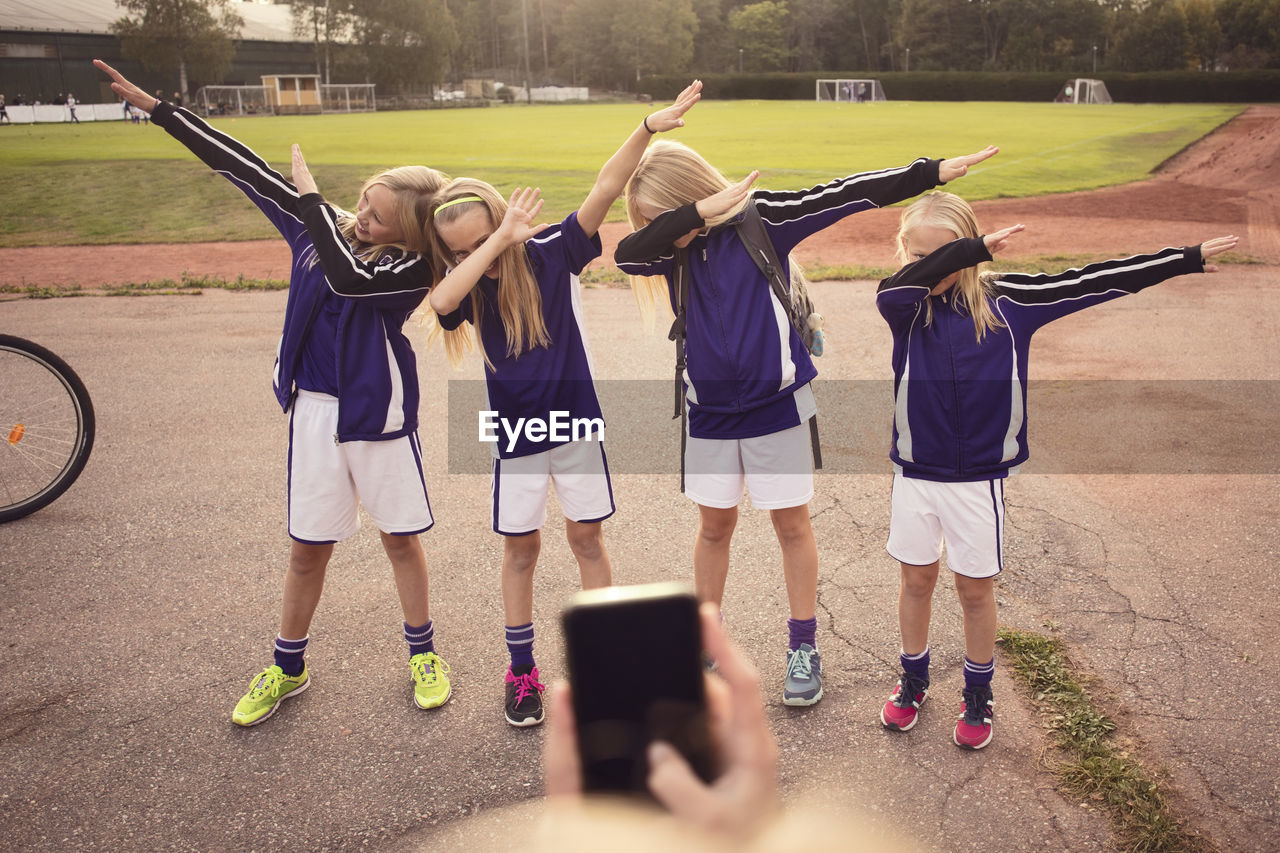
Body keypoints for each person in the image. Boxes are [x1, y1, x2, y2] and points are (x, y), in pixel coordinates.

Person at [94, 59, 454, 726]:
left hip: (379, 419)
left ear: (404, 233)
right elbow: (244, 167)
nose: (360, 222)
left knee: (400, 540)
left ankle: (423, 653)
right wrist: (161, 110)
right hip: (315, 414)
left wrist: (315, 202)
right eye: (363, 205)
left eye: (376, 220)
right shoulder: (323, 226)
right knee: (306, 549)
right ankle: (288, 666)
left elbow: (350, 280)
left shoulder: (411, 267)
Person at [614, 141, 998, 705]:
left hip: (777, 408)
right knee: (714, 527)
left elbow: (850, 194)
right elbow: (625, 253)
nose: (657, 228)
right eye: (655, 220)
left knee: (792, 527)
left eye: (661, 213)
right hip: (709, 415)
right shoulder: (668, 247)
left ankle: (803, 647)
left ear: (685, 195)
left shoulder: (761, 219)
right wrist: (691, 216)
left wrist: (930, 172)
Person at [875, 190, 1238, 749]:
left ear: (968, 254)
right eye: (917, 255)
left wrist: (1183, 258)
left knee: (974, 589)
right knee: (916, 580)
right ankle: (914, 680)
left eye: (940, 256)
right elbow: (904, 284)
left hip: (975, 480)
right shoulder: (904, 301)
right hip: (916, 474)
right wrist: (964, 251)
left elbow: (1096, 280)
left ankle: (978, 692)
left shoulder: (1012, 301)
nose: (929, 269)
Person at [425, 81, 704, 727]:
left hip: (574, 424)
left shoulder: (553, 255)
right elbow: (440, 304)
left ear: (500, 219)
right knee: (521, 550)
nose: (473, 257)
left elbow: (606, 187)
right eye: (460, 252)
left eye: (481, 240)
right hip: (516, 436)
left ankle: (605, 659)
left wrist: (647, 127)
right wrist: (491, 248)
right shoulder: (467, 285)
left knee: (586, 538)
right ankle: (521, 671)